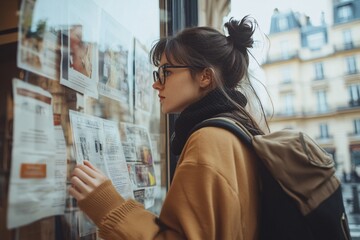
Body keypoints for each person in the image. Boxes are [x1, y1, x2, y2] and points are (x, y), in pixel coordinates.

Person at [69, 16, 268, 239]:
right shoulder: (235, 132)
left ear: (205, 77)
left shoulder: (208, 140)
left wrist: (108, 206)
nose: (156, 83)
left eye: (166, 72)